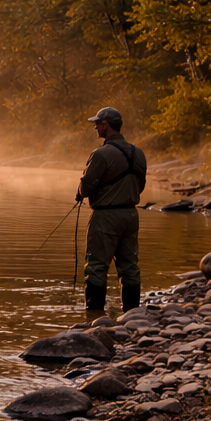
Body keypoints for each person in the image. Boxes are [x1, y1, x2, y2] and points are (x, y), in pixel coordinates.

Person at [76, 106, 147, 314]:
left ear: (105, 125)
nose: (95, 128)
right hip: (131, 216)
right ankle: (132, 314)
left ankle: (94, 315)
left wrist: (80, 192)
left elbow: (87, 186)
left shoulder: (101, 154)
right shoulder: (139, 153)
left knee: (96, 266)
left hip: (105, 217)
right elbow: (140, 185)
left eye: (97, 124)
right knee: (129, 267)